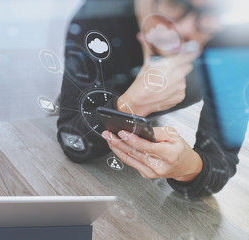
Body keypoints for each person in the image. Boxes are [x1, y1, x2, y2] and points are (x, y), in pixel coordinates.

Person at [57, 0, 244, 198]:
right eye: (175, 3)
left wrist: (189, 166)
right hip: (95, 94)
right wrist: (132, 104)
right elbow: (72, 140)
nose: (185, 29)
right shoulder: (100, 15)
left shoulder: (233, 42)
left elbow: (222, 160)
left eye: (212, 12)